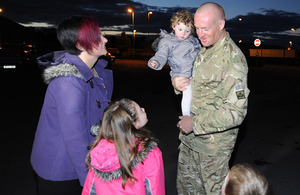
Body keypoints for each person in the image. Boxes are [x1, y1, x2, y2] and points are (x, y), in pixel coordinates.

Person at [172, 2, 250, 195]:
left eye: (205, 28)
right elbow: (197, 85)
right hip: (190, 142)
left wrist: (195, 123)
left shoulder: (233, 60)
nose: (200, 34)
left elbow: (236, 112)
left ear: (221, 24)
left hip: (212, 150)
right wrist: (178, 84)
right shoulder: (204, 49)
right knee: (186, 190)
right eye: (197, 28)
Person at [30, 16, 113, 195]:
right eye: (98, 36)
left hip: (83, 160)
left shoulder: (97, 71)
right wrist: (89, 181)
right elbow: (75, 138)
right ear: (81, 45)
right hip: (61, 168)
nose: (105, 39)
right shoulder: (68, 81)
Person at [82, 98, 165, 195]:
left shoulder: (98, 152)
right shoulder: (149, 153)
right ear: (134, 124)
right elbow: (155, 189)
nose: (143, 109)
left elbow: (89, 189)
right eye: (140, 111)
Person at [148, 10, 201, 116]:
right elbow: (162, 54)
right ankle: (186, 116)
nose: (183, 33)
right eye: (180, 29)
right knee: (188, 94)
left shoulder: (193, 41)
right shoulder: (168, 41)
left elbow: (201, 54)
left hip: (196, 72)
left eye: (187, 31)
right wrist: (156, 61)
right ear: (173, 26)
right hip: (182, 73)